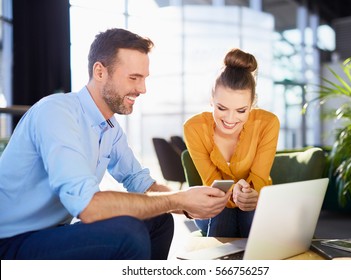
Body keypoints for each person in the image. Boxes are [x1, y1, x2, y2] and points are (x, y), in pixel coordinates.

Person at [0, 28, 231, 260]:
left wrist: (191, 201)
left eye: (144, 78)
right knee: (127, 234)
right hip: (10, 241)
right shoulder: (56, 112)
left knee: (158, 220)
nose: (142, 89)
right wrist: (177, 199)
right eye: (134, 78)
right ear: (100, 71)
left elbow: (140, 183)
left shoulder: (109, 127)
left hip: (51, 234)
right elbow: (89, 207)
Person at [183, 48, 280, 238]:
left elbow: (259, 179)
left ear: (252, 105)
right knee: (221, 210)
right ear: (211, 101)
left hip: (254, 201)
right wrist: (231, 194)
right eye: (221, 108)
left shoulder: (268, 123)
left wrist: (249, 195)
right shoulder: (194, 128)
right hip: (215, 203)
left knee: (249, 212)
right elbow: (211, 182)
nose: (230, 119)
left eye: (241, 111)